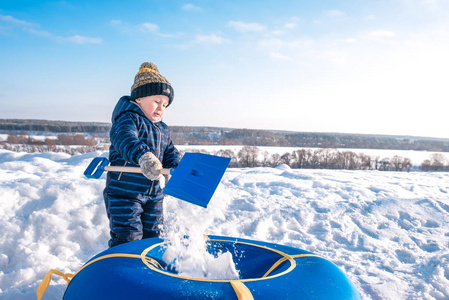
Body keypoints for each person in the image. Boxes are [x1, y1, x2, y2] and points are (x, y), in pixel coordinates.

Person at [103, 62, 181, 248]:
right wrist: (144, 156)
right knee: (129, 237)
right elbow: (126, 140)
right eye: (156, 101)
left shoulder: (162, 129)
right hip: (124, 193)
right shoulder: (127, 119)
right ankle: (122, 269)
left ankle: (148, 270)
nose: (161, 108)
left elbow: (169, 150)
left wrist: (176, 165)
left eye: (165, 104)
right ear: (139, 98)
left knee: (154, 238)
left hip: (154, 194)